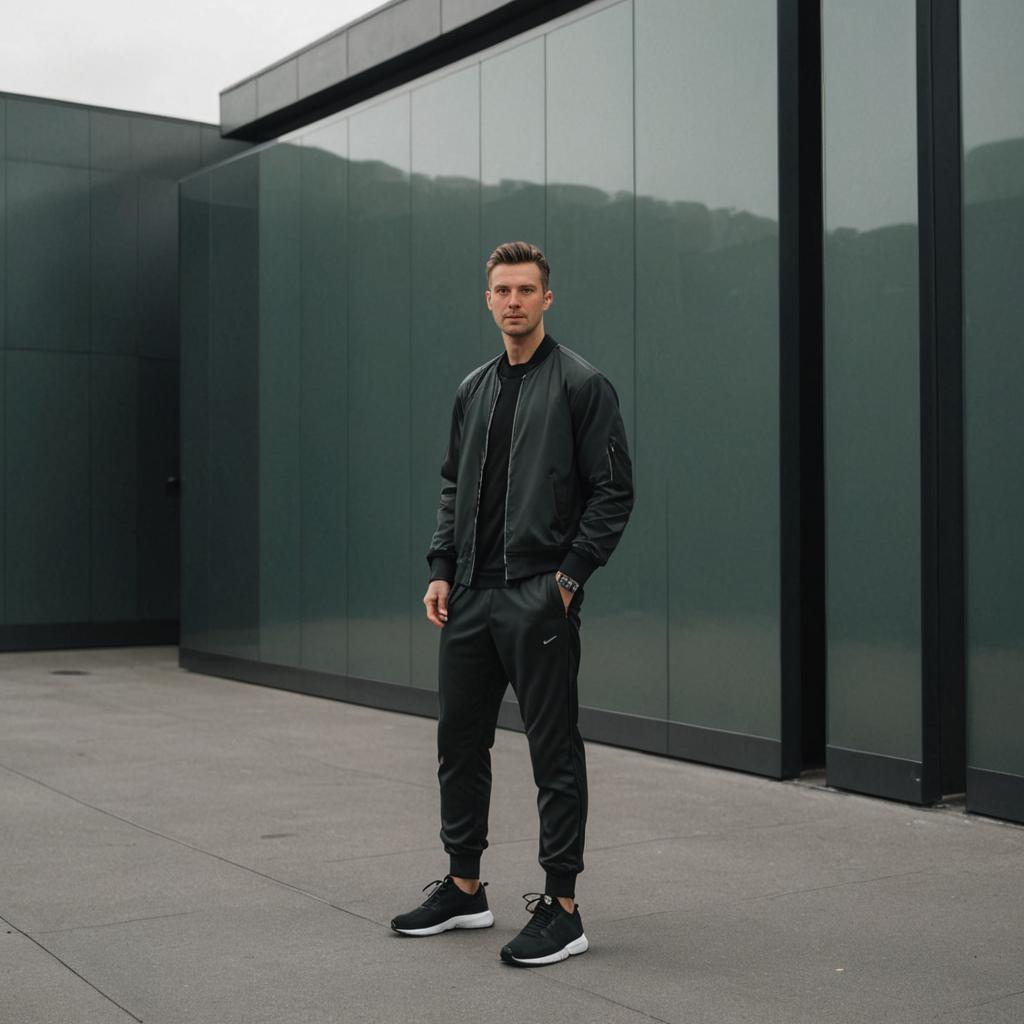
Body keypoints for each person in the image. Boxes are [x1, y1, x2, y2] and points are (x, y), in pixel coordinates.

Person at [390, 241, 634, 967]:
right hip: (468, 596)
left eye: (527, 289)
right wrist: (442, 567)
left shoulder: (583, 386)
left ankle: (563, 908)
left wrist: (568, 578)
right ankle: (465, 887)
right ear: (488, 298)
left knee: (552, 750)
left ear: (547, 298)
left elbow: (613, 491)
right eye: (503, 289)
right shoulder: (473, 389)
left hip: (536, 596)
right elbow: (451, 485)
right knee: (458, 744)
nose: (515, 300)